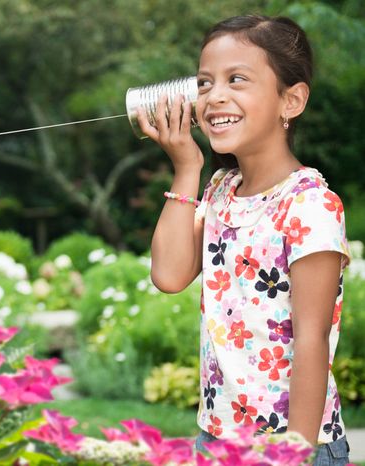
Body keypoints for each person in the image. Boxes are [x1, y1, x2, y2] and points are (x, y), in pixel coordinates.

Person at [138, 15, 350, 465]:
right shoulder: (219, 191)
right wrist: (186, 169)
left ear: (290, 101)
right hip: (215, 438)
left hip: (291, 445)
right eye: (204, 83)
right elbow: (170, 274)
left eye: (237, 79)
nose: (215, 96)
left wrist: (295, 452)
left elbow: (310, 341)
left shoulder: (310, 205)